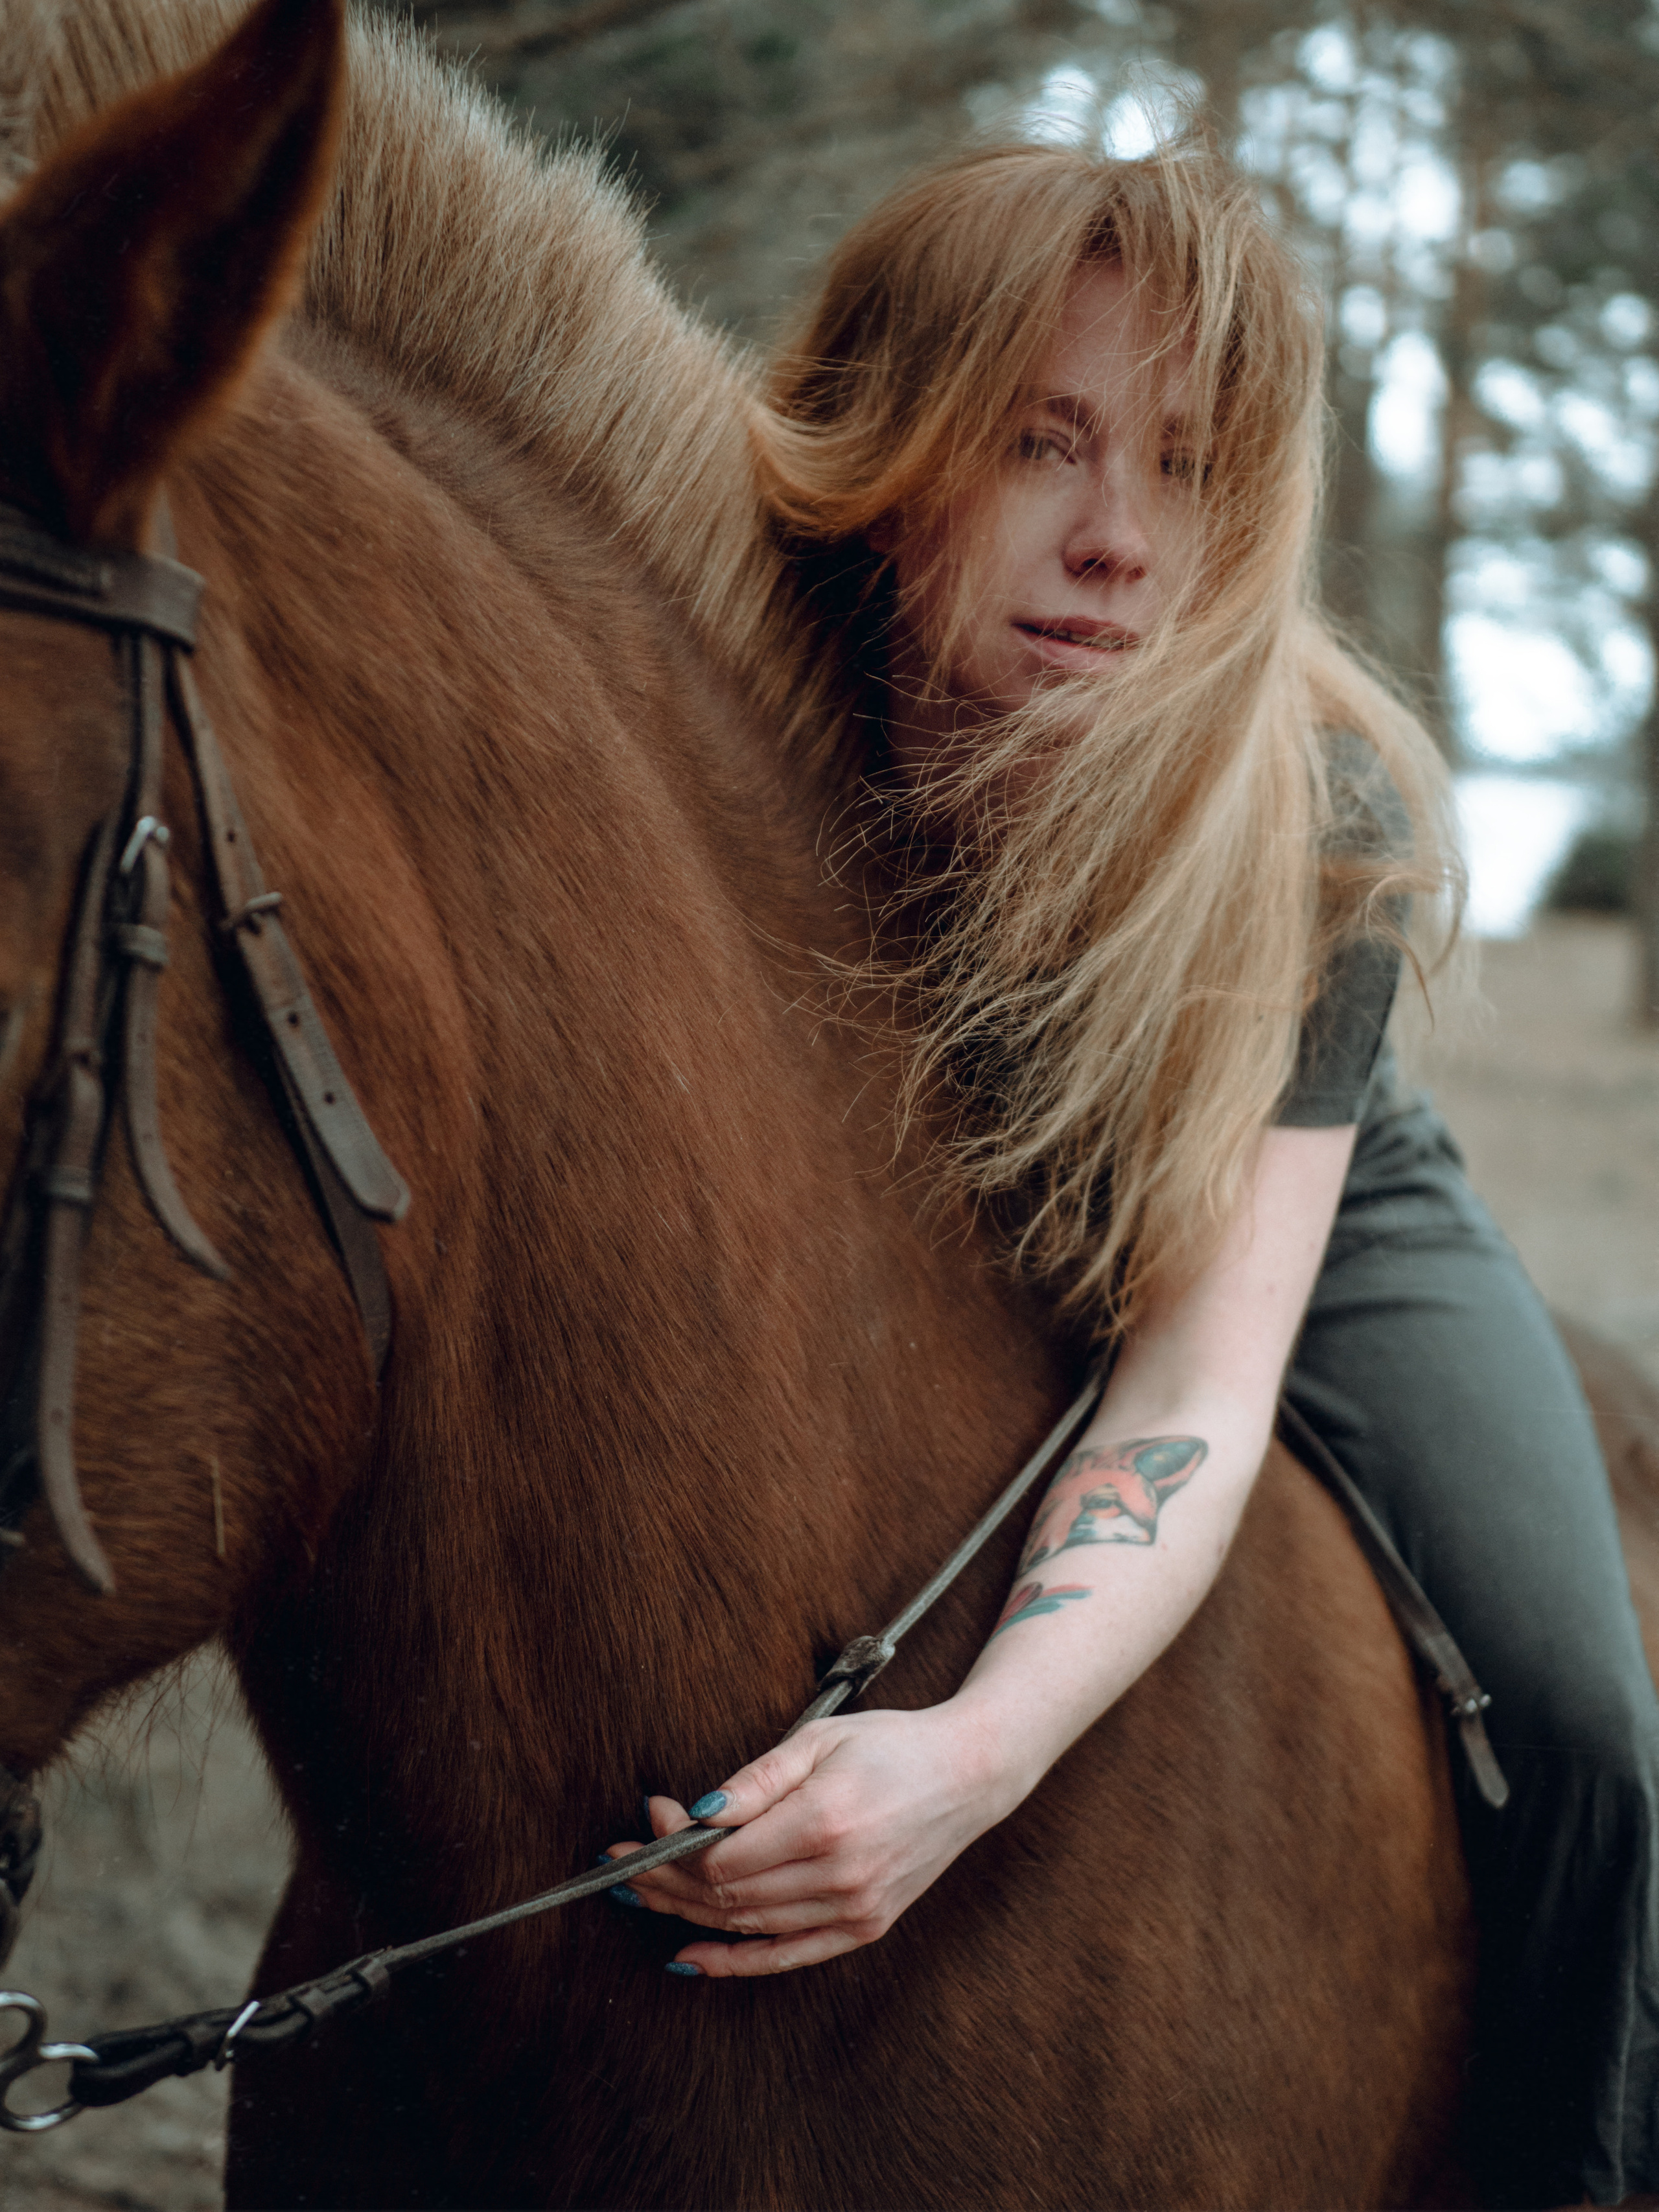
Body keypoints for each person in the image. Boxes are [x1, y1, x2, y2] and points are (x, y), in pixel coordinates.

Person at [602, 131, 1659, 2206]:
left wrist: (961, 1767)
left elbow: (1188, 1397)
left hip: (1282, 1199)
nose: (1117, 542)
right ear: (895, 447)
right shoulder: (731, 690)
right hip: (927, 1154)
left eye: (1184, 466)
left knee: (1590, 1719)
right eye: (1044, 439)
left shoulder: (1312, 821)